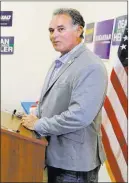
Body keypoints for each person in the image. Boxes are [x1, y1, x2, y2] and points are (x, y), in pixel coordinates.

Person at [21, 8, 108, 183]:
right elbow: (51, 100)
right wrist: (35, 113)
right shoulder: (59, 62)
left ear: (79, 30)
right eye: (51, 30)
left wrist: (39, 123)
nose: (54, 35)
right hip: (56, 156)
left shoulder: (91, 66)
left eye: (61, 29)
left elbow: (79, 116)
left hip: (74, 165)